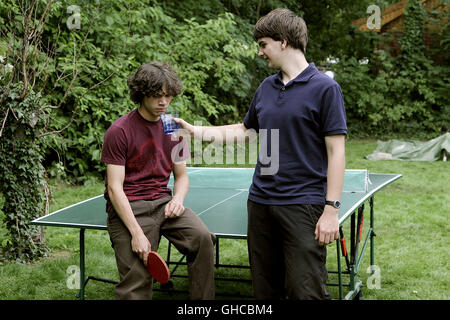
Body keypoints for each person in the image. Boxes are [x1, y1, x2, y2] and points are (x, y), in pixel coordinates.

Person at [174, 8, 347, 300]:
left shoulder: (325, 89)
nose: (259, 52)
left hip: (303, 205)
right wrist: (197, 131)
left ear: (283, 41)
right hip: (261, 204)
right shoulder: (267, 87)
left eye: (263, 44)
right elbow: (245, 130)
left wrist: (331, 209)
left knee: (305, 291)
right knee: (265, 290)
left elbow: (337, 151)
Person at [101, 61, 216, 300]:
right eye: (157, 96)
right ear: (142, 93)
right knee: (137, 281)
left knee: (202, 239)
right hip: (130, 208)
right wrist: (136, 233)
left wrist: (178, 199)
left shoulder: (172, 127)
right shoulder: (119, 131)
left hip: (163, 204)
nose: (164, 102)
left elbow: (181, 176)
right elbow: (114, 188)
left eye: (168, 96)